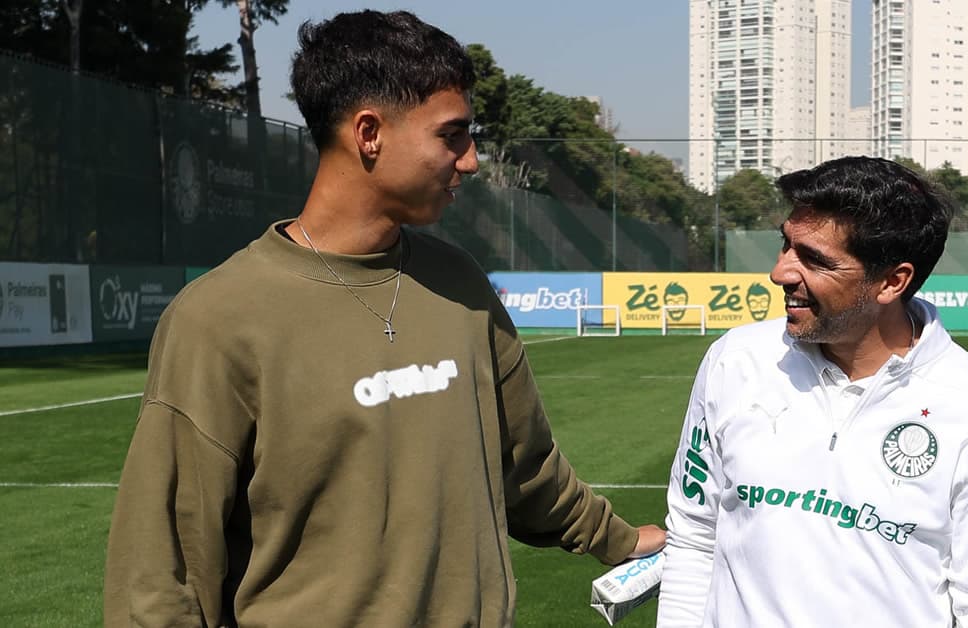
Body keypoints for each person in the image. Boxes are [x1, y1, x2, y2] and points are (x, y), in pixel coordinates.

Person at [103, 10, 664, 627]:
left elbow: (525, 467)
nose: (471, 160)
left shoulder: (461, 284)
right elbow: (163, 573)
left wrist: (621, 541)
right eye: (452, 135)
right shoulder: (218, 318)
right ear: (368, 133)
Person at [657, 157, 968, 627]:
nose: (781, 273)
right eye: (786, 245)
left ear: (892, 282)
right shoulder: (735, 360)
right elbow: (694, 537)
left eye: (814, 259)